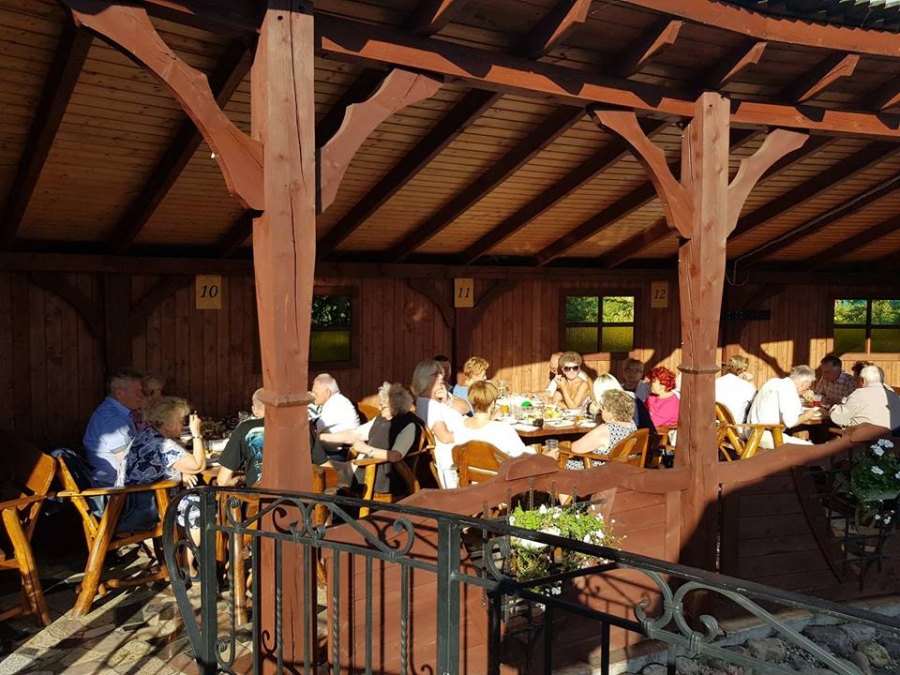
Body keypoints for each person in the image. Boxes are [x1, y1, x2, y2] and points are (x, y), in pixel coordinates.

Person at [118, 396, 206, 535]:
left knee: (196, 498)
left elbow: (154, 467)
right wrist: (196, 433)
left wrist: (180, 473)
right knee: (200, 508)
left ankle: (185, 546)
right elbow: (198, 466)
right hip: (143, 508)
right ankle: (187, 550)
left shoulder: (146, 435)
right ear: (168, 423)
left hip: (127, 502)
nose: (183, 424)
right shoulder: (163, 444)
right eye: (180, 420)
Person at [321, 382, 422, 497]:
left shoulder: (408, 425)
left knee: (327, 475)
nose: (379, 408)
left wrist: (366, 449)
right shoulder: (380, 419)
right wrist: (320, 438)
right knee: (323, 466)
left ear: (395, 407)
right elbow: (354, 434)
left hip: (381, 476)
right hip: (361, 467)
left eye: (383, 405)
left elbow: (395, 455)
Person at [83, 368, 146, 487]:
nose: (142, 396)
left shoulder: (119, 412)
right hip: (115, 489)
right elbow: (130, 463)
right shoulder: (113, 420)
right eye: (137, 392)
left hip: (122, 481)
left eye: (141, 391)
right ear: (119, 394)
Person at [411, 359, 465, 488]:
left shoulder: (437, 399)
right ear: (424, 379)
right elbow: (444, 437)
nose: (441, 377)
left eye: (441, 373)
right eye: (436, 374)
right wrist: (474, 432)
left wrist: (448, 400)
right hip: (457, 456)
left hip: (462, 451)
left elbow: (466, 408)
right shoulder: (429, 406)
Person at [453, 381, 532, 457]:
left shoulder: (458, 425)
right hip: (499, 466)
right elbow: (522, 456)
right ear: (492, 403)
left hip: (468, 466)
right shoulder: (503, 429)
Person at [747, 365, 817, 449]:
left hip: (752, 433)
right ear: (803, 383)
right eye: (807, 387)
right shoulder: (789, 390)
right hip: (763, 436)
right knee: (812, 449)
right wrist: (807, 415)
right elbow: (790, 422)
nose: (806, 389)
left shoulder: (774, 382)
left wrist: (799, 395)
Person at [565, 390, 637, 469]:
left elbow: (576, 448)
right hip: (624, 469)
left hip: (598, 471)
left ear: (611, 414)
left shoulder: (606, 430)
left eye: (603, 407)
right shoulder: (632, 425)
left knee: (560, 458)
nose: (600, 409)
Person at [217, 388, 266, 487]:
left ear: (254, 410)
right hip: (296, 494)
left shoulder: (246, 429)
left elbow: (223, 481)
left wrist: (242, 478)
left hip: (259, 494)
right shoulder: (297, 428)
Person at [829, 365, 900, 431]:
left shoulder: (859, 394)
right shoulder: (893, 394)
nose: (855, 383)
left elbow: (838, 418)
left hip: (866, 437)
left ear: (863, 380)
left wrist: (833, 407)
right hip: (893, 437)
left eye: (855, 380)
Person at [309, 373, 360, 462]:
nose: (312, 395)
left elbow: (313, 430)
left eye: (315, 392)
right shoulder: (335, 401)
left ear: (327, 392)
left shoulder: (337, 405)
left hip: (341, 455)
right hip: (332, 450)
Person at [589, 373, 656, 434]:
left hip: (639, 438)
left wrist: (598, 413)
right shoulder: (629, 397)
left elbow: (614, 428)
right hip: (646, 437)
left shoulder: (620, 402)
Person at [715, 355, 757, 423]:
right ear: (741, 371)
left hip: (717, 425)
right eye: (745, 370)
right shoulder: (746, 386)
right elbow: (757, 404)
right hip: (736, 427)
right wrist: (751, 382)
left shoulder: (716, 382)